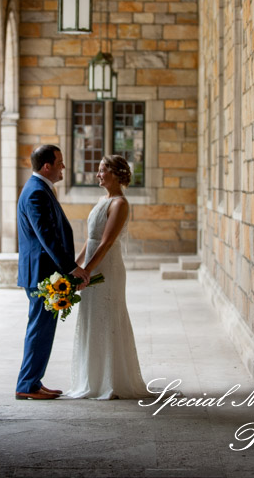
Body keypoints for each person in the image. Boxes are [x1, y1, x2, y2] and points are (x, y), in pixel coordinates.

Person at [65, 155, 151, 400]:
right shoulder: (103, 200)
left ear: (116, 174)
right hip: (92, 264)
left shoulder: (119, 204)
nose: (98, 174)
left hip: (107, 268)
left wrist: (88, 271)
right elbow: (90, 240)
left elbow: (106, 242)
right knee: (91, 316)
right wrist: (75, 267)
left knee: (107, 316)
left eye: (103, 170)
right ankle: (92, 377)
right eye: (99, 170)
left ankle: (111, 380)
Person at [15, 144, 90, 400]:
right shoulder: (36, 193)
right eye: (60, 162)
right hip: (41, 275)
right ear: (46, 166)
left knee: (43, 329)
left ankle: (33, 381)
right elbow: (46, 237)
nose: (63, 167)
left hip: (44, 273)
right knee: (39, 329)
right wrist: (71, 268)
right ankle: (27, 385)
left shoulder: (41, 189)